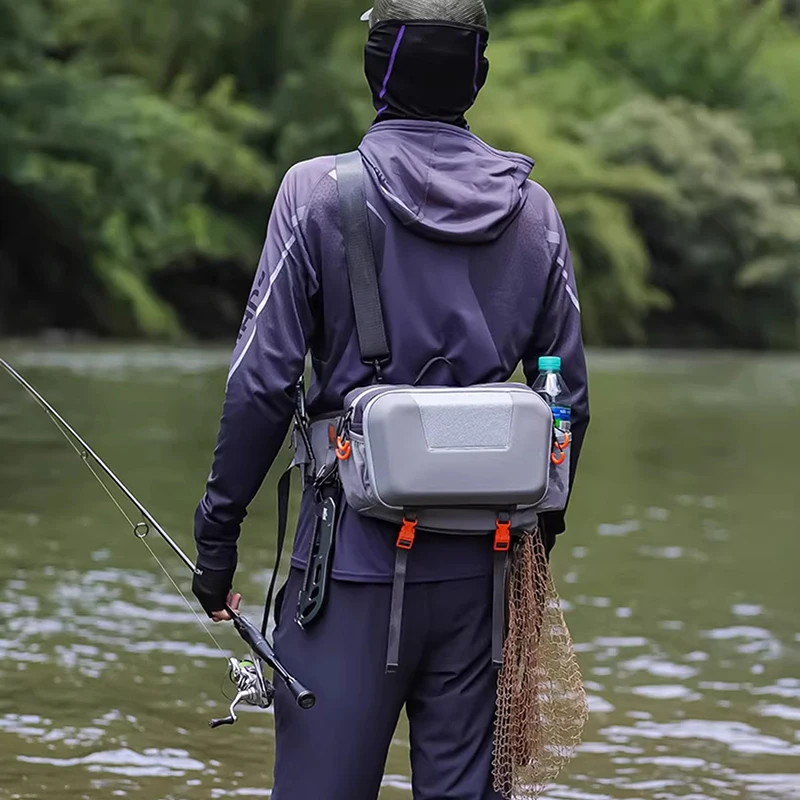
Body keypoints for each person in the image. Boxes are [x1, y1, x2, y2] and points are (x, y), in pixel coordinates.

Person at [191, 1, 590, 798]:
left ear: (376, 69)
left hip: (346, 573)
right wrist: (531, 557)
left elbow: (262, 386)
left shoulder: (315, 193)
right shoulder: (536, 213)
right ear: (477, 74)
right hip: (489, 571)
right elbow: (566, 402)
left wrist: (217, 539)